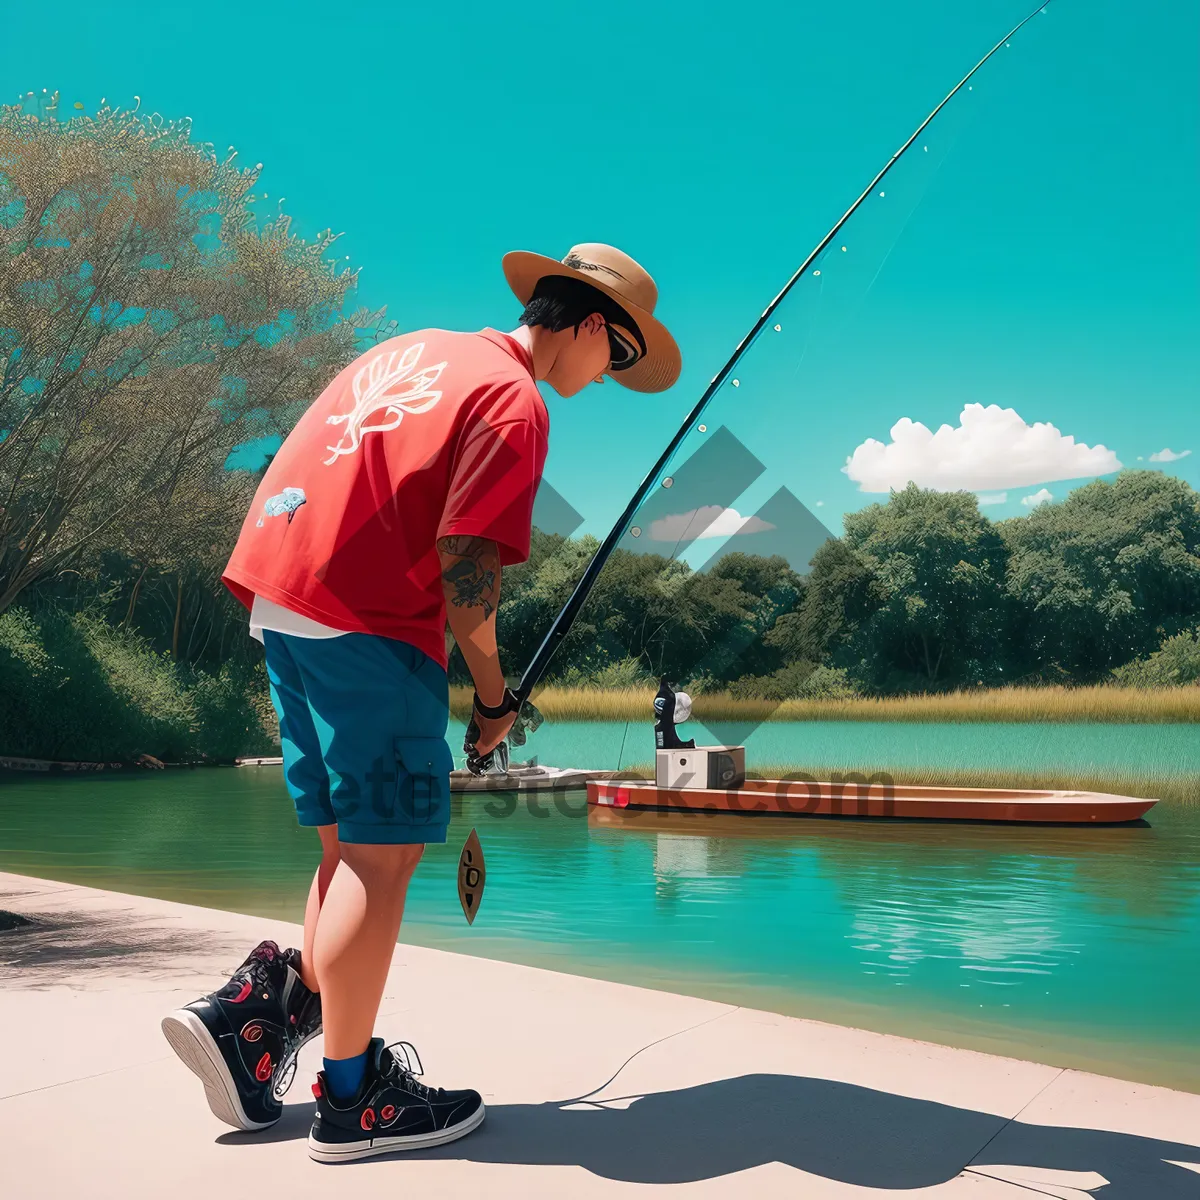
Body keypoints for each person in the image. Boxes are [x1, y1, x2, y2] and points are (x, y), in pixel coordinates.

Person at [160, 243, 681, 1163]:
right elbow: (467, 578)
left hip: (282, 595)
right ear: (593, 325)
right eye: (621, 358)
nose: (611, 378)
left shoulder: (422, 348)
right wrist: (492, 698)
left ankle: (257, 1026)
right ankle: (354, 1101)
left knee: (344, 853)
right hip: (368, 619)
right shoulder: (512, 398)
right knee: (384, 860)